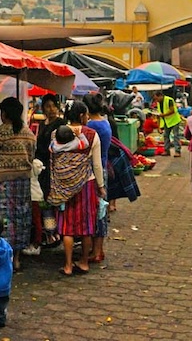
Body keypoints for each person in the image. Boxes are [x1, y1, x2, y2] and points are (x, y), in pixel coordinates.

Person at [0, 97, 36, 274]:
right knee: (19, 219)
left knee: (0, 221)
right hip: (22, 183)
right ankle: (16, 259)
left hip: (0, 185)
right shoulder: (28, 133)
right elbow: (31, 157)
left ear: (4, 114)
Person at [49, 105, 103, 276]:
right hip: (85, 185)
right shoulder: (91, 135)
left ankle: (67, 265)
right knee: (86, 225)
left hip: (63, 186)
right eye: (86, 114)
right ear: (81, 115)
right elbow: (96, 164)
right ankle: (84, 262)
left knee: (67, 226)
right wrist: (101, 187)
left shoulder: (56, 133)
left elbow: (53, 157)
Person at [82, 92, 111, 263]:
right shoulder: (104, 122)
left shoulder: (92, 126)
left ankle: (97, 250)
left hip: (95, 172)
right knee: (99, 209)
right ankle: (97, 249)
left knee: (97, 211)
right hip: (102, 169)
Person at [152, 89, 181, 157]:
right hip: (166, 121)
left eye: (157, 98)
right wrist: (159, 127)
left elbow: (172, 110)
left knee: (175, 136)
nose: (156, 101)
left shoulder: (169, 100)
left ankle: (177, 151)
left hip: (174, 120)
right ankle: (166, 150)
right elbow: (159, 115)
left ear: (160, 96)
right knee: (166, 135)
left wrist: (163, 115)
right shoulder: (159, 103)